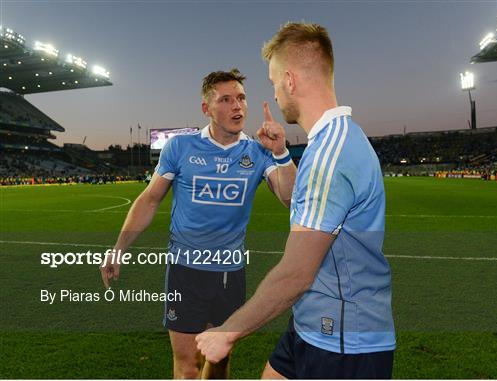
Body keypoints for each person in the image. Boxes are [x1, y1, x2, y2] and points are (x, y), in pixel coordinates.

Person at [196, 23, 396, 379]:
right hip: (312, 322)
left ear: (290, 80)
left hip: (344, 342)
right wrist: (280, 154)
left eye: (274, 82)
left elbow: (297, 273)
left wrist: (229, 331)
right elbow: (303, 205)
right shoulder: (330, 140)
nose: (274, 94)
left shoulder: (331, 154)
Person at [100, 68, 296, 379]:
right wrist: (119, 249)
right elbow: (150, 199)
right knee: (187, 365)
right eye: (226, 100)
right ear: (206, 108)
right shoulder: (180, 147)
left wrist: (282, 154)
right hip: (185, 271)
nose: (237, 106)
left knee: (219, 361)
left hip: (230, 274)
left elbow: (289, 199)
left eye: (241, 98)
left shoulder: (258, 151)